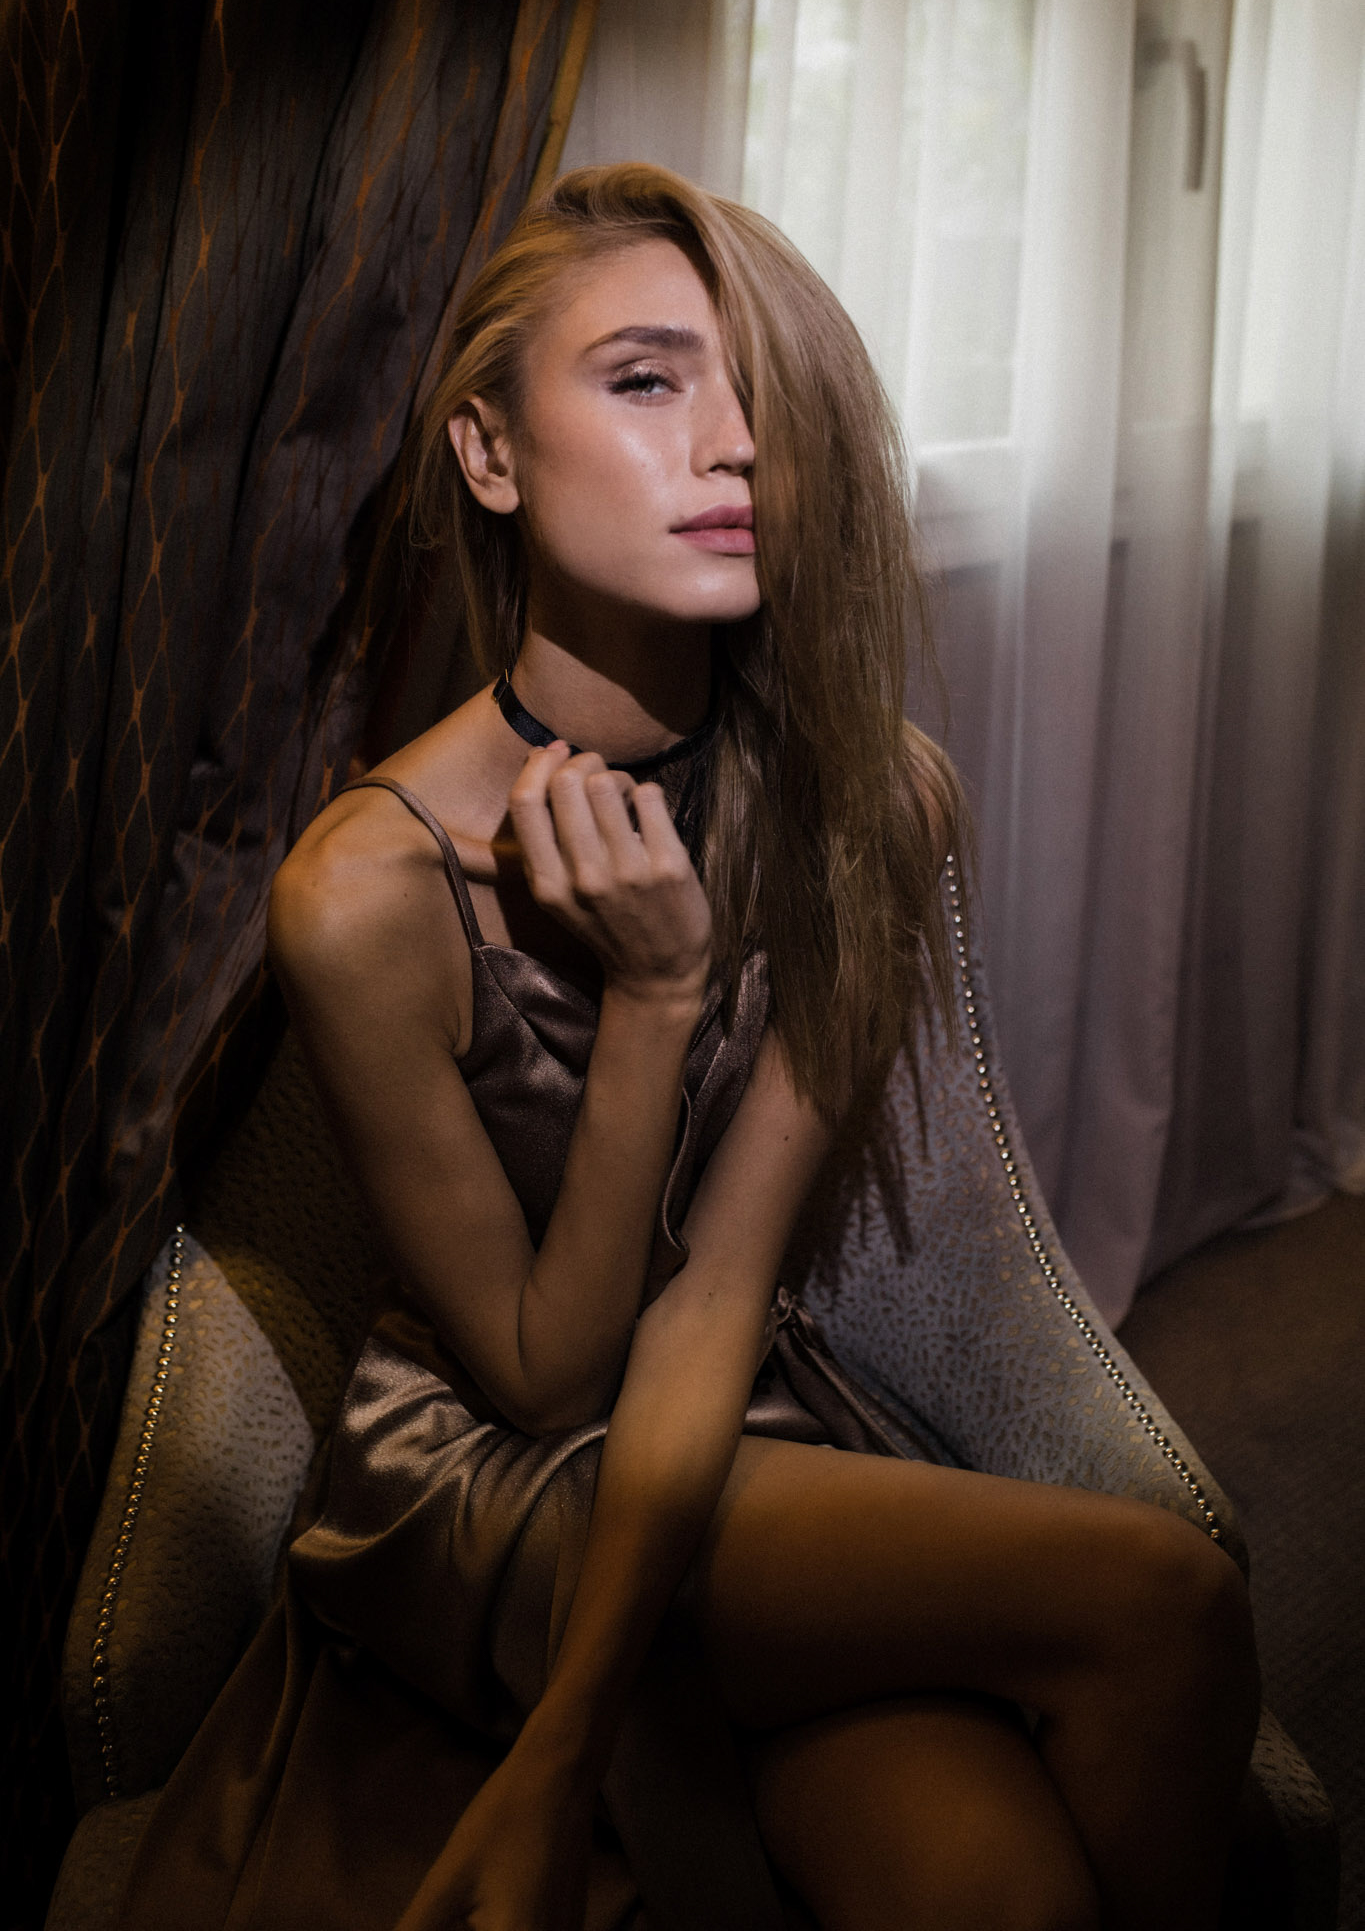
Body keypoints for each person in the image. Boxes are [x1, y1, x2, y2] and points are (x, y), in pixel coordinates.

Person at [121, 164, 1259, 1931]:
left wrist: (565, 1740)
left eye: (761, 394)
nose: (734, 446)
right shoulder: (362, 890)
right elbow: (543, 1375)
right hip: (484, 1488)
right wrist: (654, 999)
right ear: (490, 453)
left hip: (741, 1429)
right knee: (1164, 1598)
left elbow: (724, 1280)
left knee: (1003, 1893)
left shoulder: (871, 801)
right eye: (646, 381)